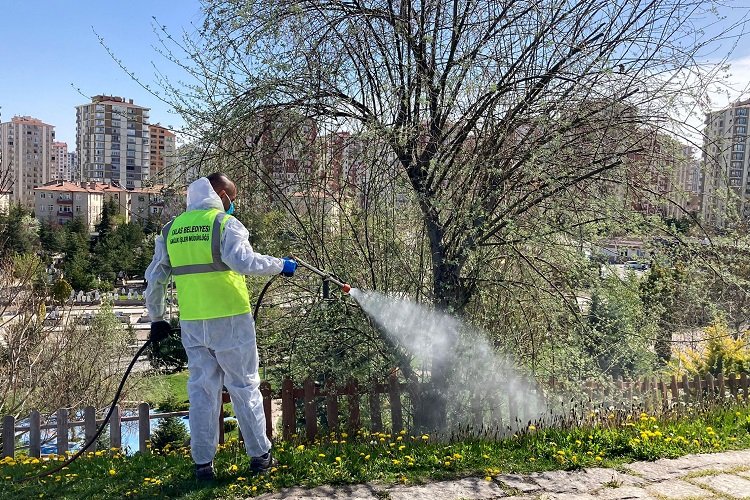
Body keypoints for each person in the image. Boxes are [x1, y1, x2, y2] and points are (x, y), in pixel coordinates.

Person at [144, 173, 297, 480]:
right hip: (230, 321)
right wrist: (281, 265)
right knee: (244, 388)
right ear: (222, 195)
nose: (233, 204)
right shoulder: (224, 224)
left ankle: (202, 465)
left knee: (201, 393)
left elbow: (155, 277)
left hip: (193, 325)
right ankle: (260, 458)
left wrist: (157, 318)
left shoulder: (171, 230)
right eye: (232, 197)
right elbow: (244, 262)